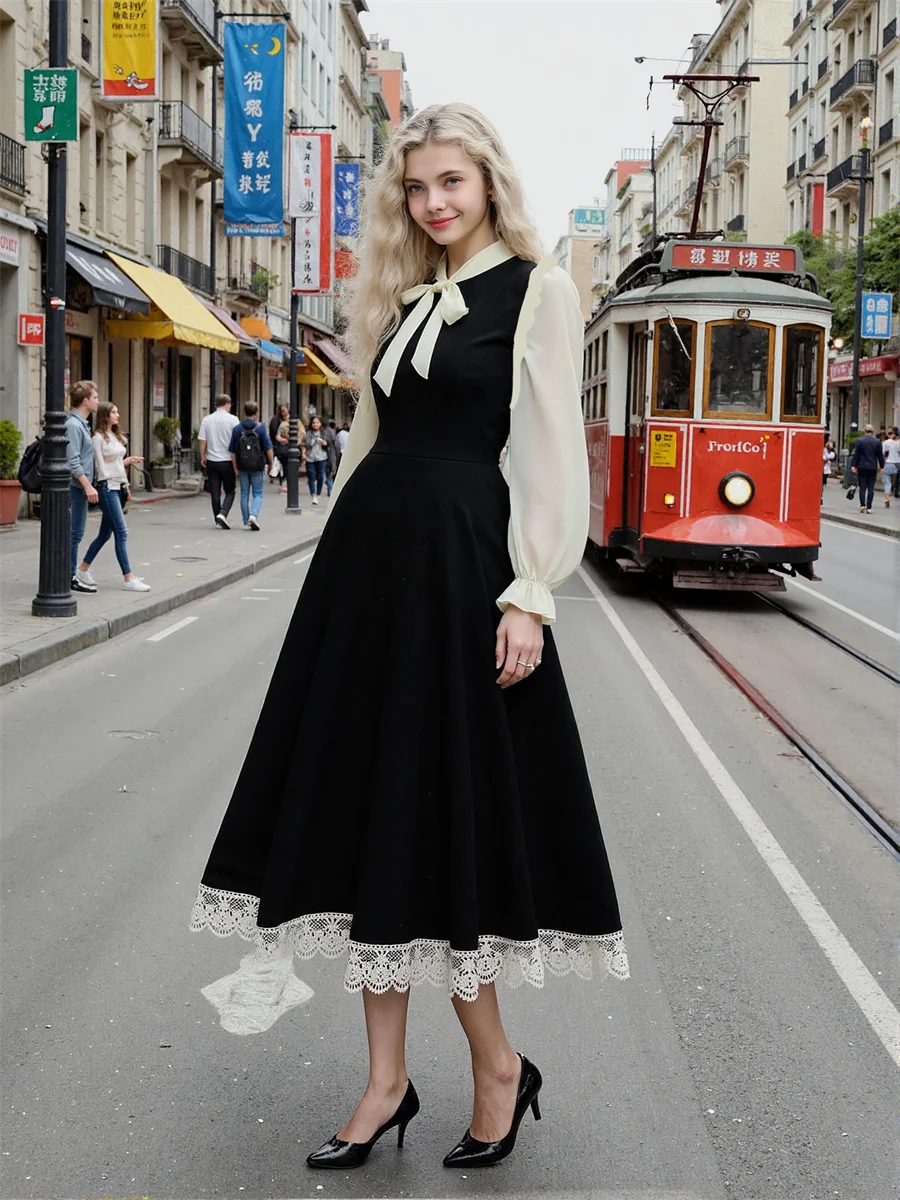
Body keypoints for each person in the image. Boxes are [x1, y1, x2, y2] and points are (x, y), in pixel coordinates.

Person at [190, 103, 628, 1172]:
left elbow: (549, 450)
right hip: (371, 575)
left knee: (448, 824)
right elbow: (367, 442)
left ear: (489, 183)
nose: (433, 203)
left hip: (462, 570)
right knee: (363, 823)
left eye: (451, 183)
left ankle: (498, 1068)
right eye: (417, 186)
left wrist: (531, 591)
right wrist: (332, 564)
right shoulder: (403, 293)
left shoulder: (538, 289)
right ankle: (385, 1085)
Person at [73, 401, 150, 592]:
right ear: (105, 415)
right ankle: (128, 578)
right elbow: (100, 467)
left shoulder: (114, 436)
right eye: (114, 412)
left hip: (118, 486)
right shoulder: (98, 438)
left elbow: (114, 464)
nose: (118, 415)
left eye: (117, 411)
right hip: (106, 487)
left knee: (105, 534)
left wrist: (126, 482)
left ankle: (82, 569)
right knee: (121, 532)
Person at [66, 380, 100, 593]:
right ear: (85, 401)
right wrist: (87, 486)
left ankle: (69, 574)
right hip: (76, 487)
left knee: (76, 532)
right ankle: (69, 576)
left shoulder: (81, 424)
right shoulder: (73, 425)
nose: (98, 401)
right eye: (95, 397)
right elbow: (73, 461)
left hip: (80, 486)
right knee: (74, 533)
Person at [228, 400, 273, 530]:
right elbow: (268, 448)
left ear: (244, 412)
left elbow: (232, 451)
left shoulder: (237, 429)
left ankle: (245, 521)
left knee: (244, 494)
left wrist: (235, 468)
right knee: (258, 493)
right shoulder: (260, 428)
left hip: (242, 465)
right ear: (256, 413)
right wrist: (270, 464)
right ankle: (253, 515)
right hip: (257, 466)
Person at [198, 394, 240, 529]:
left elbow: (202, 441)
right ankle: (223, 513)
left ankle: (217, 517)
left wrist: (202, 456)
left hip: (212, 460)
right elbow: (238, 441)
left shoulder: (207, 420)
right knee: (230, 491)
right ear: (227, 404)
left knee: (215, 491)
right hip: (228, 460)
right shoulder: (233, 420)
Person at [849, 424, 885, 514]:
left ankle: (862, 505)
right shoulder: (877, 442)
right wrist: (882, 466)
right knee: (871, 488)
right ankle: (869, 507)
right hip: (872, 467)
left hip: (862, 467)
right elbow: (880, 455)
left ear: (865, 431)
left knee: (862, 487)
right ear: (872, 432)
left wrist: (854, 465)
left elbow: (856, 454)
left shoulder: (860, 441)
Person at [303, 415, 329, 504]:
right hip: (310, 457)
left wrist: (324, 443)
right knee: (311, 476)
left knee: (320, 476)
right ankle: (313, 495)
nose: (315, 424)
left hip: (322, 457)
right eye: (314, 423)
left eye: (317, 422)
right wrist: (304, 454)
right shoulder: (308, 434)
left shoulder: (324, 433)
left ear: (320, 424)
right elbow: (305, 445)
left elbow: (328, 444)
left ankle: (318, 494)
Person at [881, 428, 900, 505]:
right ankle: (896, 489)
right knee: (896, 480)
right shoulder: (898, 443)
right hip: (897, 464)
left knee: (887, 482)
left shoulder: (885, 443)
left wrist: (881, 465)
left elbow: (882, 454)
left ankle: (887, 498)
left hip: (888, 463)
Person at [822, 435, 835, 504]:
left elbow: (830, 457)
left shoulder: (831, 452)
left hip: (825, 470)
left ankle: (821, 495)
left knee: (823, 483)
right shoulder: (823, 449)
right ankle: (820, 496)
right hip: (822, 468)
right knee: (821, 483)